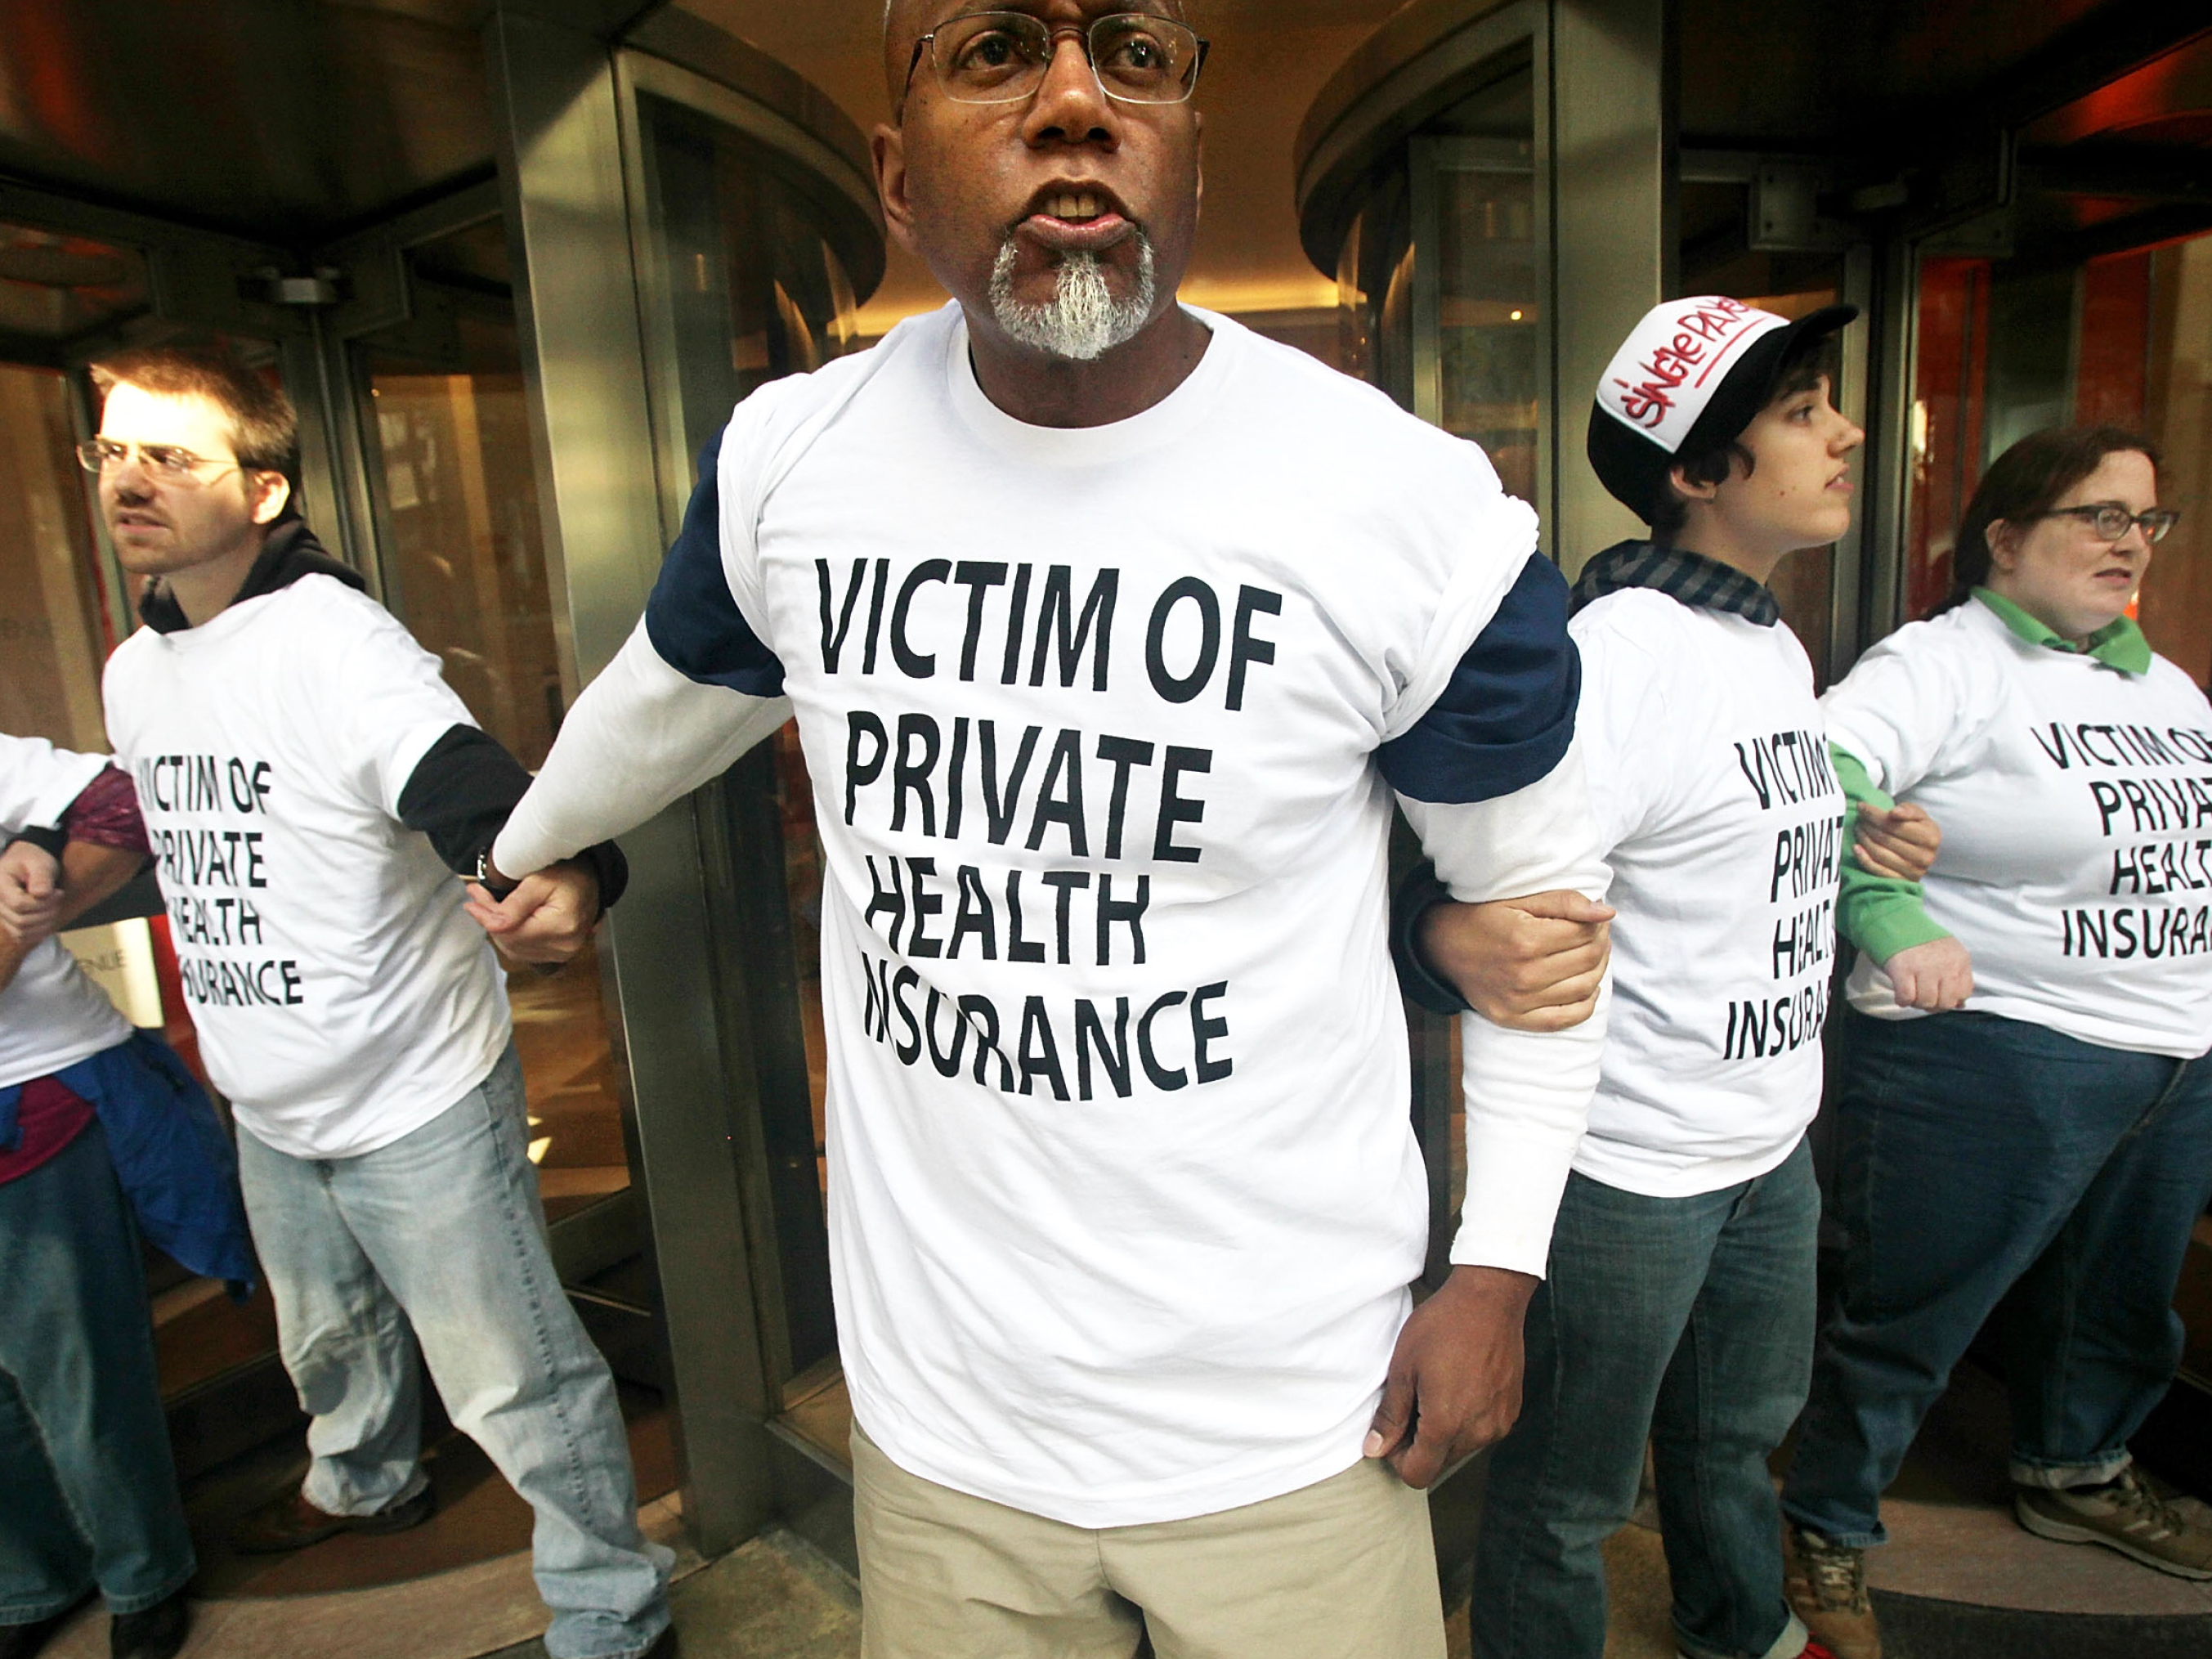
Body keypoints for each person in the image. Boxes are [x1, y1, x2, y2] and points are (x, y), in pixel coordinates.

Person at [474, 2, 1617, 1653]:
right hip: (946, 1437)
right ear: (895, 171)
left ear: (1191, 158)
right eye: (997, 47)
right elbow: (665, 699)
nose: (1076, 99)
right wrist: (538, 846)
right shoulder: (797, 461)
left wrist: (1499, 1271)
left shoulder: (1410, 510)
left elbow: (1545, 938)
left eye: (1136, 56)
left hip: (1296, 1424)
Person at [78, 345, 673, 1659]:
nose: (131, 477)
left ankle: (610, 1613)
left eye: (173, 455)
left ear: (267, 488)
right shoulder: (138, 666)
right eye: (111, 450)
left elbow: (463, 785)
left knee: (514, 1378)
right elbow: (164, 806)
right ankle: (365, 1483)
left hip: (413, 1095)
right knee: (326, 1339)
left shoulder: (333, 638)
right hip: (265, 1097)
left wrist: (565, 872)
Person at [1400, 297, 1939, 1659]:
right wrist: (1437, 937)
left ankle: (1739, 1625)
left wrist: (1844, 826)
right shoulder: (1621, 654)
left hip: (1765, 1143)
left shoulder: (1763, 638)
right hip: (1628, 1165)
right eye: (1802, 413)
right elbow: (1505, 891)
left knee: (1730, 1440)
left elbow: (1713, 837)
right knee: (1570, 1493)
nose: (1846, 432)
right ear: (1697, 473)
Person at [1779, 425, 2212, 1658]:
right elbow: (1815, 768)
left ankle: (2075, 1473)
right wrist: (1892, 911)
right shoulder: (1942, 662)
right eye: (2097, 516)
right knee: (1911, 1311)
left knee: (2117, 1300)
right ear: (2006, 538)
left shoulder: (2159, 682)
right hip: (1994, 1047)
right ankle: (1825, 1522)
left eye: (2145, 521)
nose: (2127, 544)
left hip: (2172, 1045)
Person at [0, 736, 255, 1659]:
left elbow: (125, 798)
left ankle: (143, 1572)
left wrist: (21, 908)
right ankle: (29, 1581)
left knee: (77, 1372)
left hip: (30, 1104)